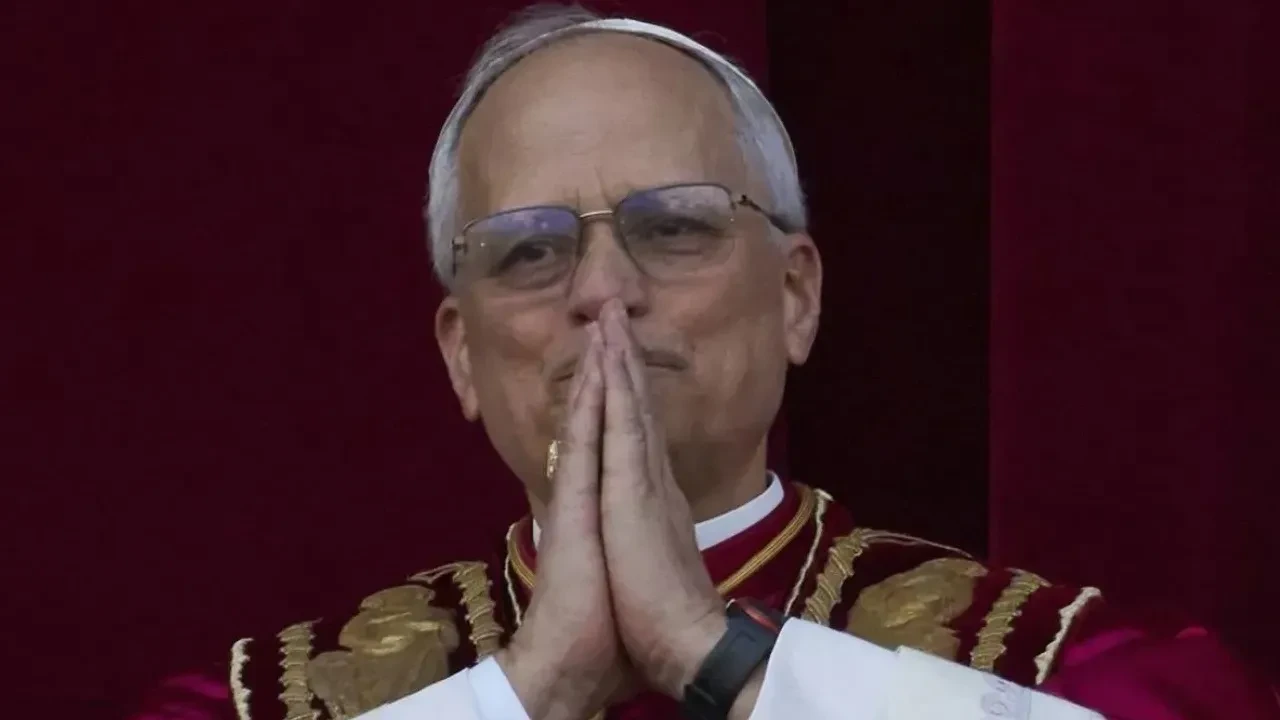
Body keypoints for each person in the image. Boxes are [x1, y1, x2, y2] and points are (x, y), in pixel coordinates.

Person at [131, 5, 1278, 720]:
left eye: (672, 226)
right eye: (527, 251)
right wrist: (532, 691)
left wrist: (716, 657)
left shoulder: (1052, 669)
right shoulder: (269, 703)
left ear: (794, 298)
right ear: (461, 356)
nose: (601, 290)